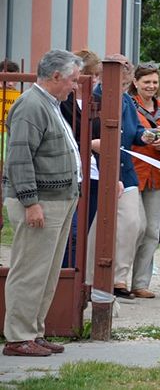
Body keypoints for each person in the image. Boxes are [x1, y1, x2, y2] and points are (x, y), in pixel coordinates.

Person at [3, 50, 82, 357]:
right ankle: (18, 337)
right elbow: (19, 158)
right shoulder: (31, 106)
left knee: (47, 272)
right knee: (30, 270)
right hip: (40, 203)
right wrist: (30, 201)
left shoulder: (48, 104)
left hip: (57, 200)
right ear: (56, 76)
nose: (75, 86)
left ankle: (34, 332)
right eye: (73, 79)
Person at [86, 54, 154, 299]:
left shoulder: (126, 99)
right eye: (119, 66)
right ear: (106, 71)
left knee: (135, 225)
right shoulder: (96, 97)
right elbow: (89, 134)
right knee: (100, 225)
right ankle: (98, 278)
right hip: (100, 168)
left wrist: (147, 136)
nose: (125, 70)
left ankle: (118, 277)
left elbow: (135, 131)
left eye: (127, 66)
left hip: (126, 169)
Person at [128, 63, 160, 298]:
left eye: (154, 82)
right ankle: (119, 278)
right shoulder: (128, 105)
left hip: (157, 176)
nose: (151, 86)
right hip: (134, 173)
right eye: (146, 82)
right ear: (136, 82)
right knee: (136, 227)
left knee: (153, 231)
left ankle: (140, 283)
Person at [59, 50, 102, 267]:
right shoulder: (62, 101)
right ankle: (66, 278)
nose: (93, 80)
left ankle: (74, 279)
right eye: (88, 74)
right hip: (71, 174)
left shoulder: (99, 101)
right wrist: (90, 144)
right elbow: (64, 137)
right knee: (72, 232)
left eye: (96, 75)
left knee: (82, 232)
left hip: (94, 174)